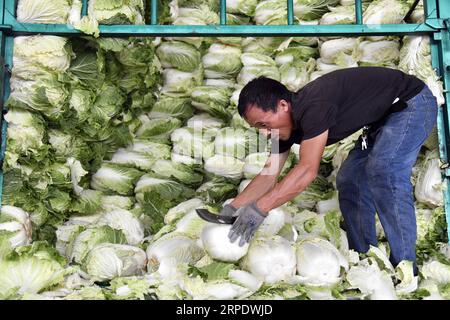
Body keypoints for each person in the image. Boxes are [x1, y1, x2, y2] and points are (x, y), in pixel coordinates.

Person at [225, 66, 438, 273]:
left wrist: (260, 209)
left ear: (282, 105)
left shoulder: (313, 106)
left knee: (385, 170)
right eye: (258, 128)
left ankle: (406, 267)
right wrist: (232, 208)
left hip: (411, 104)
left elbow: (307, 170)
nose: (264, 133)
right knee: (349, 179)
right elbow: (268, 175)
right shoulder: (280, 129)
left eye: (264, 124)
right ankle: (366, 257)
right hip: (380, 120)